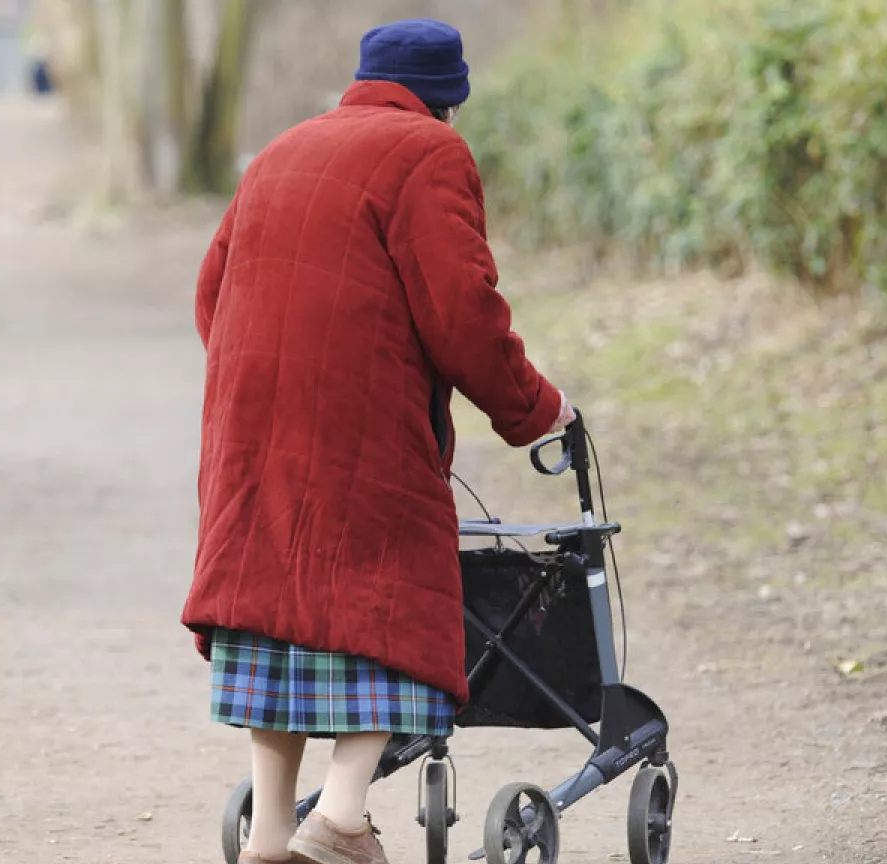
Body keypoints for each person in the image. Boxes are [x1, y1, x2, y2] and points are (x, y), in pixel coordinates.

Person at [181, 19, 576, 864]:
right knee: (387, 603)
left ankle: (273, 833)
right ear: (449, 102)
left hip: (250, 420)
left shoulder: (283, 151)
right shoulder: (431, 154)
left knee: (271, 611)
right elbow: (463, 313)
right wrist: (538, 410)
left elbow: (211, 293)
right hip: (360, 422)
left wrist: (267, 378)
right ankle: (344, 818)